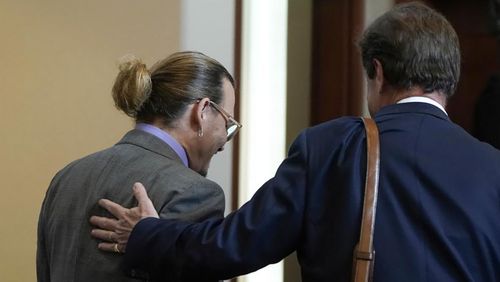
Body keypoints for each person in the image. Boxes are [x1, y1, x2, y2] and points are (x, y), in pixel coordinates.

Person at [90, 3, 500, 281]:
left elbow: (237, 244)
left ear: (376, 72)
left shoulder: (332, 147)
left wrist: (145, 234)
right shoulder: (493, 167)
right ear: (450, 79)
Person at [37, 51, 241, 282]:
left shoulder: (66, 177)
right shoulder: (196, 193)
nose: (225, 140)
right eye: (228, 124)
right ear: (202, 111)